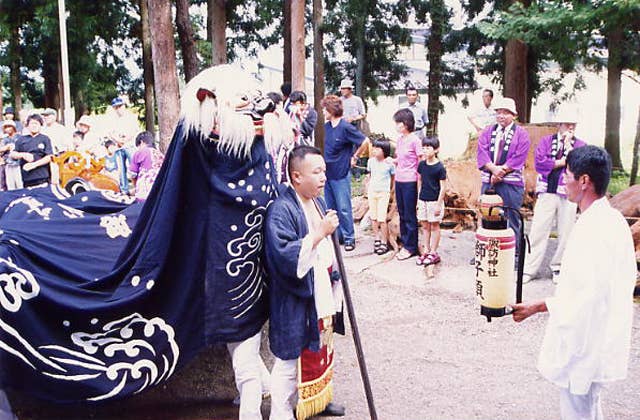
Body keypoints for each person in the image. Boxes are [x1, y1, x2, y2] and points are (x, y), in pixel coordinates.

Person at [511, 145, 636, 420]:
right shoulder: (607, 219)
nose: (563, 180)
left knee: (579, 408)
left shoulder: (598, 227)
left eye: (567, 174)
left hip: (587, 336)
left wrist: (538, 307)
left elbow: (588, 293)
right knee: (587, 407)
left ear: (584, 181)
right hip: (594, 331)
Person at [265, 145, 346, 420]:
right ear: (297, 176)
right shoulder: (282, 209)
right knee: (289, 359)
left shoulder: (317, 201)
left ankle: (319, 398)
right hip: (295, 295)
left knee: (323, 347)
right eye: (317, 172)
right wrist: (319, 234)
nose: (324, 177)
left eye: (324, 170)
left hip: (321, 288)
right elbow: (285, 256)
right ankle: (281, 412)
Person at [523, 111, 586, 284]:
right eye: (566, 123)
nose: (570, 127)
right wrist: (562, 161)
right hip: (547, 192)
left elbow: (579, 166)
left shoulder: (580, 145)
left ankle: (558, 267)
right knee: (538, 230)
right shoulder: (546, 142)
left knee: (566, 232)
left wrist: (568, 152)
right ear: (559, 125)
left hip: (569, 194)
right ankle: (529, 269)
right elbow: (541, 164)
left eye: (573, 124)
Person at [476, 97, 530, 259]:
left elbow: (519, 156)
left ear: (513, 115)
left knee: (511, 217)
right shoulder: (488, 131)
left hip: (511, 183)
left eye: (505, 112)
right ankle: (486, 251)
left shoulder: (521, 134)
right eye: (498, 112)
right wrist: (493, 169)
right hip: (489, 180)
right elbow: (481, 152)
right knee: (487, 215)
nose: (501, 116)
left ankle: (514, 254)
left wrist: (501, 172)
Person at [320, 94, 369, 252]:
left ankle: (349, 238)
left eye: (324, 109)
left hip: (341, 173)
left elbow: (365, 142)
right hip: (327, 174)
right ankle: (337, 237)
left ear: (331, 110)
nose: (323, 112)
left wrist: (354, 156)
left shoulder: (345, 127)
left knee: (344, 207)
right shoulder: (325, 128)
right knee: (331, 208)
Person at [393, 108, 422, 261]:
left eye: (398, 123)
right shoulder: (399, 140)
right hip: (399, 179)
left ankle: (411, 246)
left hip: (410, 181)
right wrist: (391, 161)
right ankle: (405, 242)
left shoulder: (415, 140)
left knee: (410, 215)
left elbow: (420, 160)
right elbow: (400, 159)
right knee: (402, 213)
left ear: (405, 124)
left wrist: (420, 182)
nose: (396, 126)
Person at [416, 137, 447, 266]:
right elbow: (420, 181)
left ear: (436, 150)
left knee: (434, 226)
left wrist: (439, 204)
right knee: (424, 226)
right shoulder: (422, 165)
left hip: (434, 201)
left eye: (428, 148)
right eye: (424, 147)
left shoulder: (440, 167)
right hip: (423, 199)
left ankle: (433, 252)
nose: (425, 150)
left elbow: (443, 187)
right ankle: (426, 250)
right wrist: (418, 199)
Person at [366, 138, 395, 255]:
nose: (374, 151)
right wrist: (367, 186)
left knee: (382, 218)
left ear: (385, 151)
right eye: (374, 148)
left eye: (378, 149)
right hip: (372, 191)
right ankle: (376, 238)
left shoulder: (389, 163)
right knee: (373, 217)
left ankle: (384, 241)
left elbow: (393, 178)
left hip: (383, 192)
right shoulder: (371, 162)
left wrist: (391, 190)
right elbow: (369, 175)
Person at [10, 114, 54, 187]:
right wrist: (23, 155)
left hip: (42, 177)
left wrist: (34, 165)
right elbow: (13, 154)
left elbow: (49, 156)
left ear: (41, 125)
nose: (34, 126)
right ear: (27, 126)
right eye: (32, 123)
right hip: (26, 178)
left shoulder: (45, 139)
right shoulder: (21, 140)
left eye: (36, 123)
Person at [129, 131, 164, 201]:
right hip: (160, 191)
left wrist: (136, 188)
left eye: (138, 146)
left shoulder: (139, 153)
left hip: (144, 192)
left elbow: (133, 175)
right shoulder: (160, 154)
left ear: (141, 142)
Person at [1, 120, 23, 190]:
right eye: (6, 127)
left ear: (13, 127)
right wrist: (6, 147)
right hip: (8, 164)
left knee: (20, 184)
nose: (8, 129)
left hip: (19, 164)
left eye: (9, 126)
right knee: (10, 185)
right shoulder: (5, 139)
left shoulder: (20, 137)